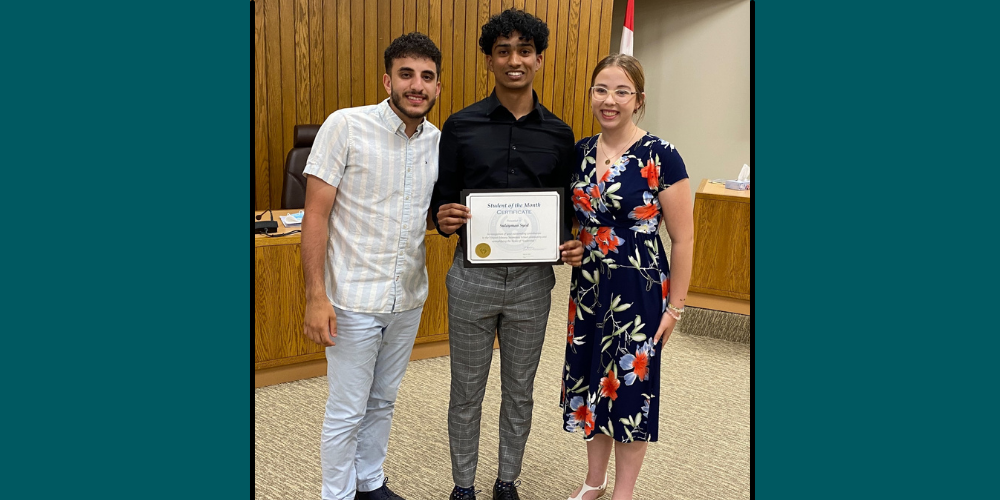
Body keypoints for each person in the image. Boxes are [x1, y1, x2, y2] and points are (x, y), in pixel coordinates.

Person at [430, 8, 584, 500]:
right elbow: (443, 198)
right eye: (503, 51)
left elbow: (564, 210)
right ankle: (463, 487)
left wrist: (570, 240)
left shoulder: (560, 135)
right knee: (466, 391)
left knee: (519, 392)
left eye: (524, 51)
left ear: (538, 59)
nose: (513, 60)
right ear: (490, 60)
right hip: (472, 277)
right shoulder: (459, 126)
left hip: (533, 282)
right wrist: (444, 218)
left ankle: (507, 482)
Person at [300, 32, 443, 500]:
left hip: (407, 297)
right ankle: (337, 495)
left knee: (382, 401)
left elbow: (430, 212)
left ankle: (370, 481)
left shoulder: (438, 142)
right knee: (346, 410)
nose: (416, 85)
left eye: (426, 77)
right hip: (352, 299)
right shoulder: (345, 126)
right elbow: (315, 215)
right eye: (406, 74)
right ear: (388, 80)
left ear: (438, 87)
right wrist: (315, 297)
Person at [561, 54, 694, 500]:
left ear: (639, 99)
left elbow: (683, 239)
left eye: (621, 91)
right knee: (593, 382)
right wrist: (573, 244)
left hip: (639, 291)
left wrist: (676, 306)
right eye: (601, 89)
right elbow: (574, 222)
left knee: (630, 392)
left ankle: (623, 493)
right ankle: (593, 483)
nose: (609, 100)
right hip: (588, 290)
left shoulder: (662, 155)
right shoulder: (579, 151)